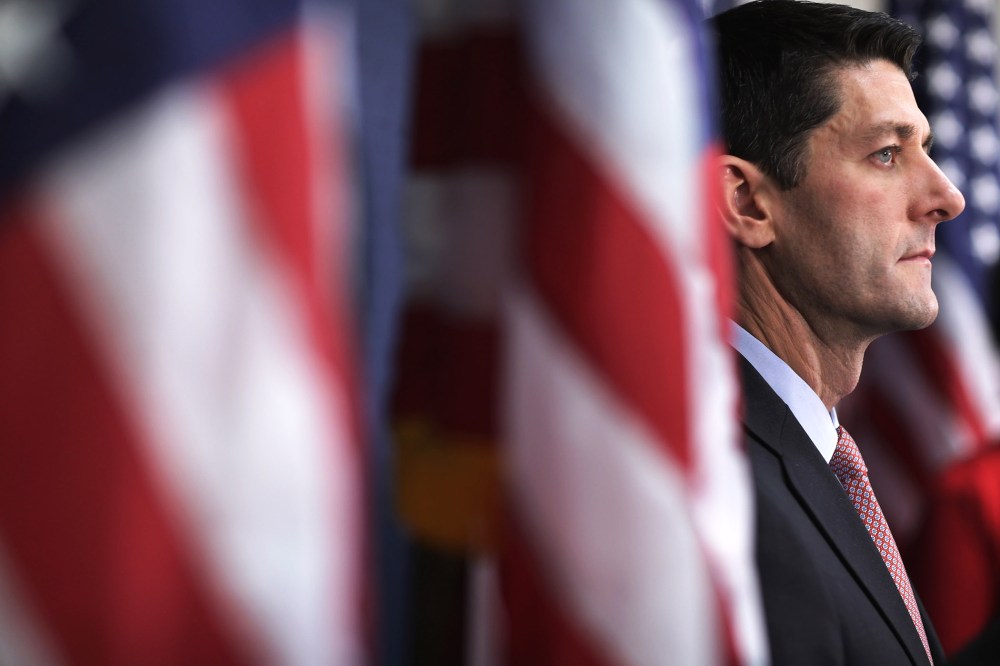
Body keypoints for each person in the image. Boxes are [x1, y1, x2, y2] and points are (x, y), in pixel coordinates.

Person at [710, 1, 965, 664]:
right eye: (886, 154)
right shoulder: (721, 490)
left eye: (926, 150)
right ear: (745, 202)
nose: (946, 197)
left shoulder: (804, 449)